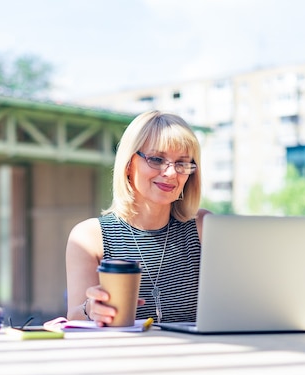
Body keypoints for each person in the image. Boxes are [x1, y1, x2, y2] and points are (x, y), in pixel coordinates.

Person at [66, 110, 210, 325]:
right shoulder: (89, 237)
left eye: (182, 163)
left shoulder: (204, 227)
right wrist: (91, 309)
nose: (171, 173)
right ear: (128, 165)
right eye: (157, 159)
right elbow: (75, 317)